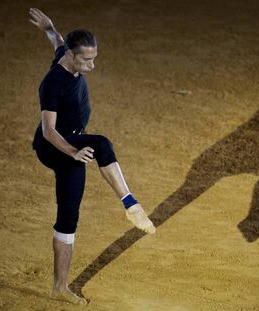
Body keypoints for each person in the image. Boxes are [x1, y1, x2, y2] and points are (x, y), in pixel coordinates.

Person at [28, 8, 156, 305]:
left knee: (69, 217)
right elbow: (48, 131)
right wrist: (73, 151)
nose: (93, 65)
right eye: (87, 59)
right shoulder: (52, 83)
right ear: (72, 57)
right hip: (55, 146)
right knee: (101, 143)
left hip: (74, 146)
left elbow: (56, 39)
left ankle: (59, 288)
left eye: (94, 57)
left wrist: (49, 26)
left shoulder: (64, 53)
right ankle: (130, 204)